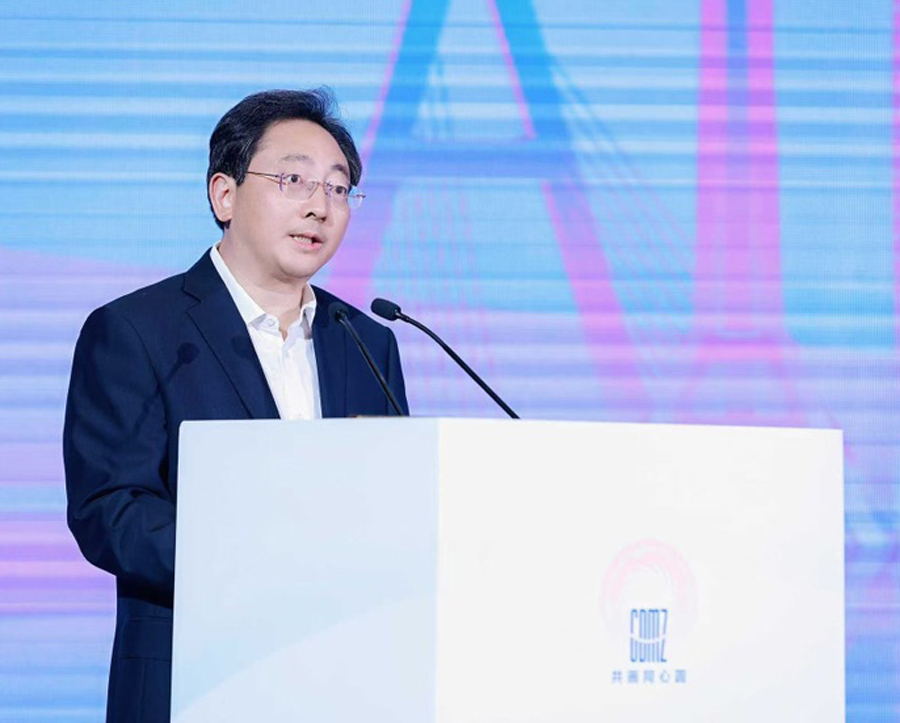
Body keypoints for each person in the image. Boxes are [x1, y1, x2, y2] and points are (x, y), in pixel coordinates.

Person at [63, 88, 408, 723]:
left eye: (338, 189)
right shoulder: (138, 331)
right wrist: (264, 563)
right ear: (224, 195)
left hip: (341, 682)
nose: (320, 206)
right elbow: (111, 511)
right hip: (193, 678)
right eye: (294, 180)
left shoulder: (367, 341)